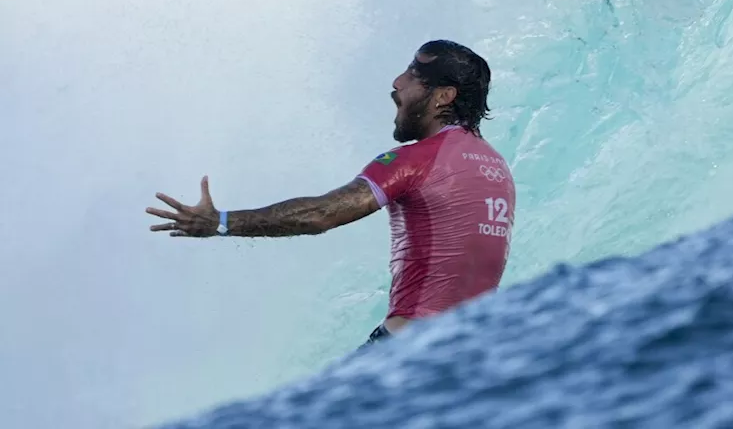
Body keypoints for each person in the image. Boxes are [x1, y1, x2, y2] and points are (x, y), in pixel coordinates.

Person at [145, 40, 516, 347]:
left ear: (443, 96)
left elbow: (322, 214)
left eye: (413, 75)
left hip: (411, 348)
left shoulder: (417, 160)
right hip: (474, 351)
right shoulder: (498, 169)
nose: (397, 82)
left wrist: (221, 222)